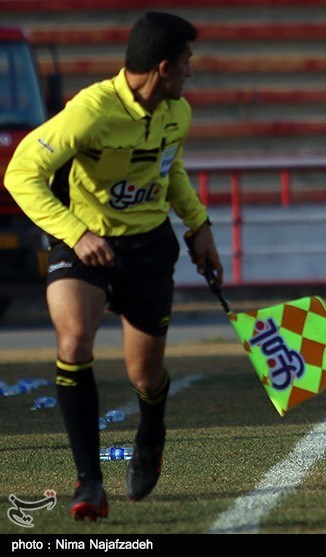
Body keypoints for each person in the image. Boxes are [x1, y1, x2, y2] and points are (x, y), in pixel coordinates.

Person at [4, 12, 223, 520]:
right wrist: (76, 233)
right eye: (187, 62)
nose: (191, 72)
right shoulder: (91, 110)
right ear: (163, 68)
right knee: (73, 340)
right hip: (84, 244)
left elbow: (172, 173)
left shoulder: (177, 114)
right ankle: (89, 482)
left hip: (147, 250)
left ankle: (152, 431)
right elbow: (21, 172)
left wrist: (198, 226)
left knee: (144, 375)